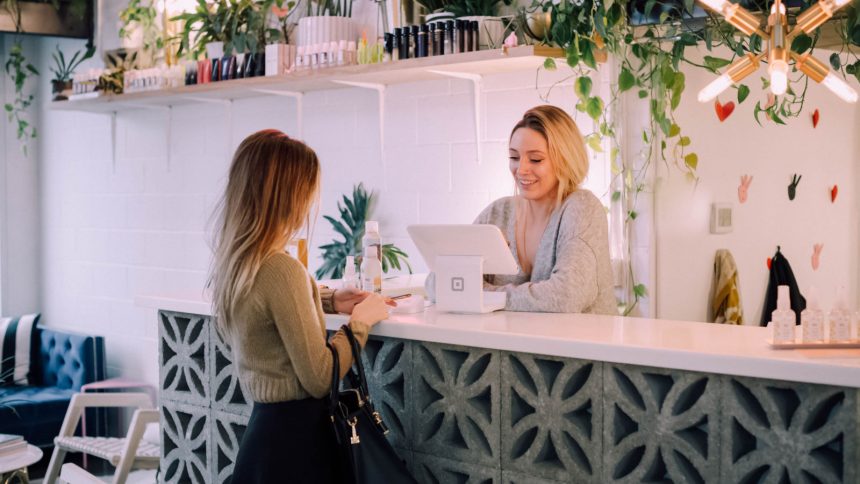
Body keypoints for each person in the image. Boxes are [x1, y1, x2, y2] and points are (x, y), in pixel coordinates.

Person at [208, 129, 391, 484]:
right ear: (289, 197)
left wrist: (326, 299)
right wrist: (360, 322)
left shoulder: (239, 263)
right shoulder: (281, 269)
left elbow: (267, 305)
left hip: (264, 438)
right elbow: (320, 377)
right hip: (297, 445)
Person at [430, 105, 616, 314]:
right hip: (512, 343)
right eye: (514, 157)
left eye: (536, 159)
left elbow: (566, 296)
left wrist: (485, 296)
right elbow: (437, 284)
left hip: (578, 345)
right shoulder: (498, 213)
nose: (521, 169)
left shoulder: (582, 208)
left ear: (565, 159)